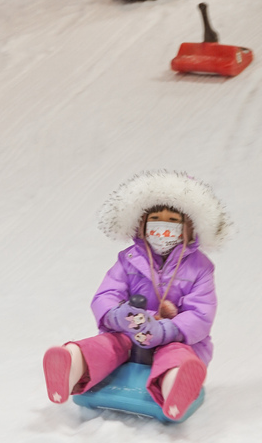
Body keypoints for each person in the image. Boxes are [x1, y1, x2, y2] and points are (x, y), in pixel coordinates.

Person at [42, 170, 229, 422]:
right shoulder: (129, 259)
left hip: (175, 338)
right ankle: (71, 364)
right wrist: (119, 316)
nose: (163, 227)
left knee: (175, 355)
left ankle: (176, 385)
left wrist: (165, 330)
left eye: (172, 219)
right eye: (155, 219)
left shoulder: (199, 267)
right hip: (129, 332)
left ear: (188, 226)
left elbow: (201, 314)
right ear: (142, 223)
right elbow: (106, 295)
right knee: (105, 346)